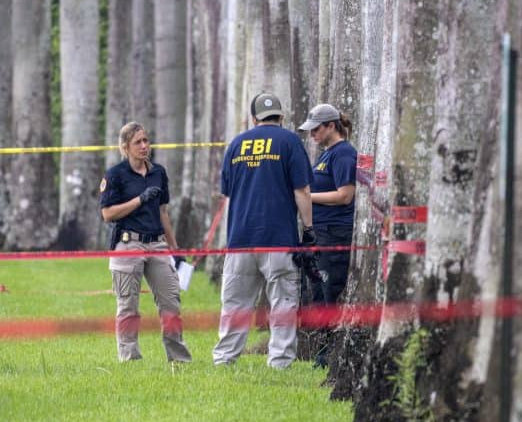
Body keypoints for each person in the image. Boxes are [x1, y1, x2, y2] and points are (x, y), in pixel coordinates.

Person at [212, 92, 314, 368]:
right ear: (281, 116)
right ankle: (280, 362)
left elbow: (227, 193)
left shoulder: (236, 145)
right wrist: (309, 228)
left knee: (235, 305)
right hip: (279, 239)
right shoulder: (290, 142)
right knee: (283, 303)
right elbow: (302, 192)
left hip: (240, 239)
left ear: (253, 118)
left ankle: (224, 359)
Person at [99, 121, 192, 363]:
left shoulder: (158, 173)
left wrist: (175, 249)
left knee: (171, 303)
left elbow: (163, 213)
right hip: (128, 243)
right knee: (128, 306)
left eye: (146, 140)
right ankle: (129, 359)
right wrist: (139, 200)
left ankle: (179, 358)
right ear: (125, 147)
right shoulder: (115, 175)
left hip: (157, 244)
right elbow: (107, 214)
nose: (143, 146)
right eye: (137, 142)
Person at [298, 104, 357, 367]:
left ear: (331, 126)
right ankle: (321, 350)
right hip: (321, 232)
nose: (312, 134)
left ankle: (328, 353)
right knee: (319, 292)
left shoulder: (344, 154)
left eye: (316, 129)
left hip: (335, 233)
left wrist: (307, 197)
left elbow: (345, 195)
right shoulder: (326, 154)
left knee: (330, 290)